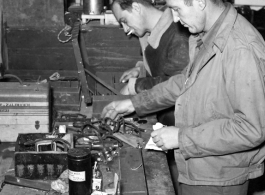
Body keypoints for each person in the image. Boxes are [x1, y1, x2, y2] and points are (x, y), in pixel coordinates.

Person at [101, 0, 265, 194]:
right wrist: (135, 103)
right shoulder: (208, 33)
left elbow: (251, 128)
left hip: (218, 177)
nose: (176, 20)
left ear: (200, 2)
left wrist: (181, 137)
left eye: (177, 10)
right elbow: (184, 82)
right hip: (199, 167)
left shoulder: (241, 48)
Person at [112, 0, 189, 126]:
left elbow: (178, 84)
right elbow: (164, 64)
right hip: (163, 115)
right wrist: (141, 69)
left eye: (124, 21)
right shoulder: (151, 30)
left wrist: (135, 86)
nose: (125, 30)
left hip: (178, 124)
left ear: (136, 7)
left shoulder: (178, 35)